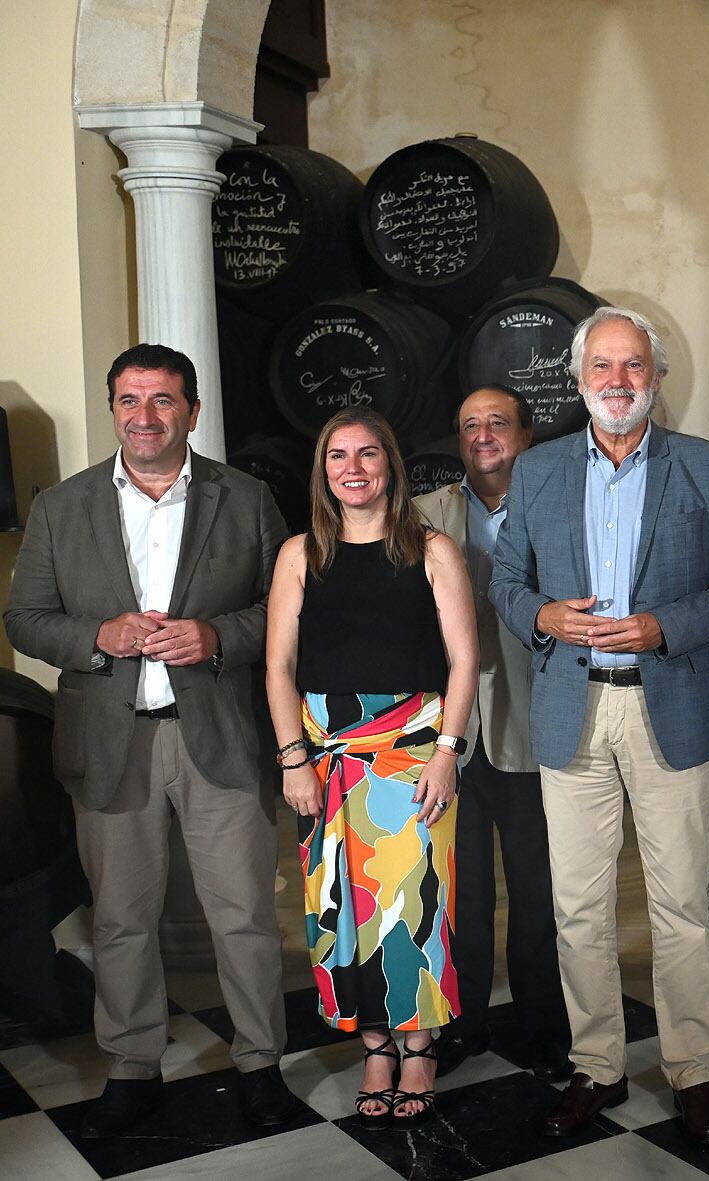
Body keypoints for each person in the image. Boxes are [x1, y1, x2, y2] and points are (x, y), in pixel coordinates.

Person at [5, 344, 298, 1138]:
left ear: (192, 411)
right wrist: (99, 634)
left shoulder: (246, 499)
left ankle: (261, 1061)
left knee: (242, 915)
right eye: (129, 400)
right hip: (109, 742)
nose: (145, 416)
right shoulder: (62, 508)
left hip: (222, 736)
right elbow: (23, 619)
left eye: (163, 400)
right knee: (121, 919)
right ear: (114, 410)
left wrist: (214, 635)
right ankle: (132, 1065)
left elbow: (284, 604)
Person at [491, 306, 709, 1148]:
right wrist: (546, 617)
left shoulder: (707, 468)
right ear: (579, 379)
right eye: (601, 366)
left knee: (682, 903)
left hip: (668, 702)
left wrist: (663, 626)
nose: (616, 381)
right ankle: (597, 1064)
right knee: (579, 905)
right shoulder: (536, 472)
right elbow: (504, 577)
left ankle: (693, 1069)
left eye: (632, 366)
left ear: (656, 376)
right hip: (572, 705)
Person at [264, 406, 478, 1125]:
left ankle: (421, 1043)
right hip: (323, 755)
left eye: (366, 455)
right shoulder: (300, 554)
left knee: (414, 906)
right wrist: (293, 756)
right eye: (336, 457)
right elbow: (278, 665)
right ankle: (376, 1043)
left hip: (414, 753)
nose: (352, 468)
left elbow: (464, 661)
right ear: (323, 471)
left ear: (390, 464)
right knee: (344, 907)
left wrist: (448, 753)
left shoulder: (432, 549)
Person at [414, 386, 569, 1080]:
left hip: (533, 725)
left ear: (526, 434)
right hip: (448, 735)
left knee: (538, 889)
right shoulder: (422, 515)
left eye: (496, 423)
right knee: (459, 888)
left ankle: (543, 1021)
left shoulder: (560, 504)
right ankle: (461, 1019)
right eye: (469, 423)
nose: (482, 435)